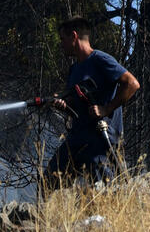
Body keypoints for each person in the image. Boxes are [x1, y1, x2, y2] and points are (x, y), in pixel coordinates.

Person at [43, 17, 140, 191]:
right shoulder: (74, 69)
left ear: (74, 36)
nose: (61, 44)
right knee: (49, 181)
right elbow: (75, 102)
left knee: (103, 191)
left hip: (101, 141)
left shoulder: (100, 60)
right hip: (77, 138)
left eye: (62, 39)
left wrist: (106, 108)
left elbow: (132, 84)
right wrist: (63, 103)